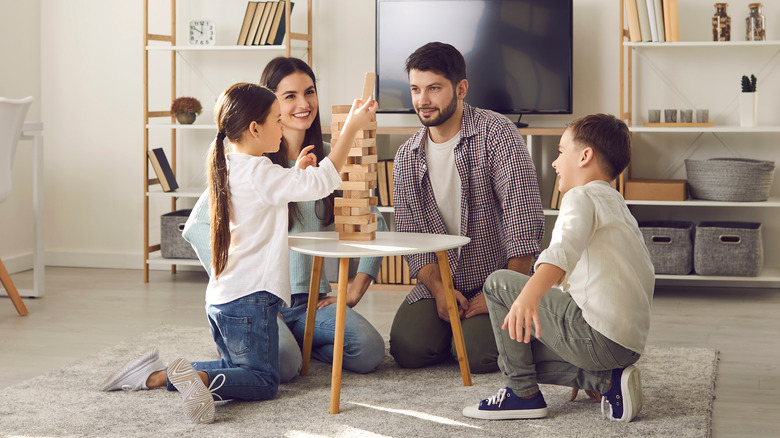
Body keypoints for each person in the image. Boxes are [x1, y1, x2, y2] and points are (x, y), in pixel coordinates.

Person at [101, 82, 377, 424]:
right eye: (277, 119)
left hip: (221, 300)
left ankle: (155, 375)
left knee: (239, 369)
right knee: (264, 380)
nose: (282, 126)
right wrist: (350, 127)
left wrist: (294, 173)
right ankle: (184, 378)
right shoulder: (263, 172)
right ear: (255, 128)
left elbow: (266, 198)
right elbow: (323, 182)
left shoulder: (229, 166)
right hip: (251, 302)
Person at [182, 57, 387, 379]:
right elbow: (196, 227)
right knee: (284, 367)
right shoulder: (253, 166)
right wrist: (236, 285)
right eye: (289, 97)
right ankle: (272, 346)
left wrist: (355, 289)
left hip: (312, 303)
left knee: (368, 351)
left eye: (309, 92)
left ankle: (298, 344)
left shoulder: (324, 156)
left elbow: (373, 217)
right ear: (263, 112)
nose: (303, 104)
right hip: (260, 299)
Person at [462, 113, 655, 422]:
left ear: (585, 156)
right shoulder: (616, 203)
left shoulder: (581, 196)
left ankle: (521, 394)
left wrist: (527, 294)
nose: (555, 162)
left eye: (561, 151)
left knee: (498, 283)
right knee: (515, 351)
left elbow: (560, 252)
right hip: (625, 346)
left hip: (599, 337)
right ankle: (606, 381)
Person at [389, 42, 545, 374]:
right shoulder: (406, 156)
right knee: (408, 348)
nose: (422, 100)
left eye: (434, 88)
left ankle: (514, 323)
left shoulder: (498, 133)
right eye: (416, 89)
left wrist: (502, 294)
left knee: (479, 356)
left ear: (461, 89)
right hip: (442, 281)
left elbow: (524, 222)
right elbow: (412, 240)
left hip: (499, 278)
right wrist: (440, 291)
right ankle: (452, 330)